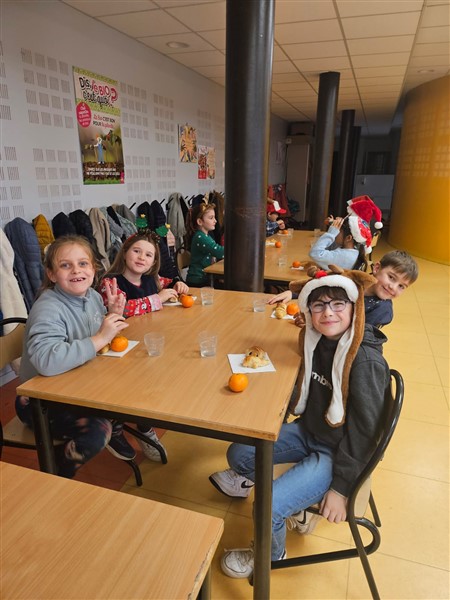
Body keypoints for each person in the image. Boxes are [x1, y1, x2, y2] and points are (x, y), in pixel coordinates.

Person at [209, 267, 390, 578]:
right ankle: (298, 500)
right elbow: (304, 382)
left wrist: (341, 488)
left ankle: (271, 555)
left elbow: (368, 434)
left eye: (338, 304)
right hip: (311, 432)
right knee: (238, 453)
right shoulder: (317, 340)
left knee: (267, 505)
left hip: (339, 452)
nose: (328, 313)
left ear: (355, 308)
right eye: (319, 305)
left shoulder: (364, 361)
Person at [16, 235, 128, 478]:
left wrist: (112, 314)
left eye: (83, 263)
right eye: (66, 265)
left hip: (77, 387)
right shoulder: (48, 308)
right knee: (98, 431)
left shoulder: (93, 297)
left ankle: (116, 431)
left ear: (94, 269)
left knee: (126, 393)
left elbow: (94, 336)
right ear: (51, 274)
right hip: (39, 402)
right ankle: (57, 473)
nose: (76, 270)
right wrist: (100, 338)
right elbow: (46, 361)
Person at [99, 231, 189, 462]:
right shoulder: (111, 282)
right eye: (136, 251)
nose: (141, 258)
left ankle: (143, 423)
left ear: (154, 261)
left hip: (145, 345)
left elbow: (167, 283)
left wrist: (178, 284)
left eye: (148, 255)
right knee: (129, 381)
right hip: (118, 351)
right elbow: (124, 309)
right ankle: (117, 424)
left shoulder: (151, 279)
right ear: (125, 253)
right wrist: (158, 298)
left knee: (161, 371)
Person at [268, 249, 419, 329]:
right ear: (377, 268)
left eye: (401, 286)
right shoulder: (355, 279)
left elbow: (354, 336)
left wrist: (314, 323)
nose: (393, 287)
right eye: (391, 277)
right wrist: (294, 293)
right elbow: (325, 286)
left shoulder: (382, 310)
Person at [185, 202, 224, 287]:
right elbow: (218, 251)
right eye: (211, 218)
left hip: (204, 278)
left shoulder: (206, 235)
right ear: (200, 221)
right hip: (198, 281)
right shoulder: (200, 237)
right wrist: (235, 248)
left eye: (214, 217)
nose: (215, 221)